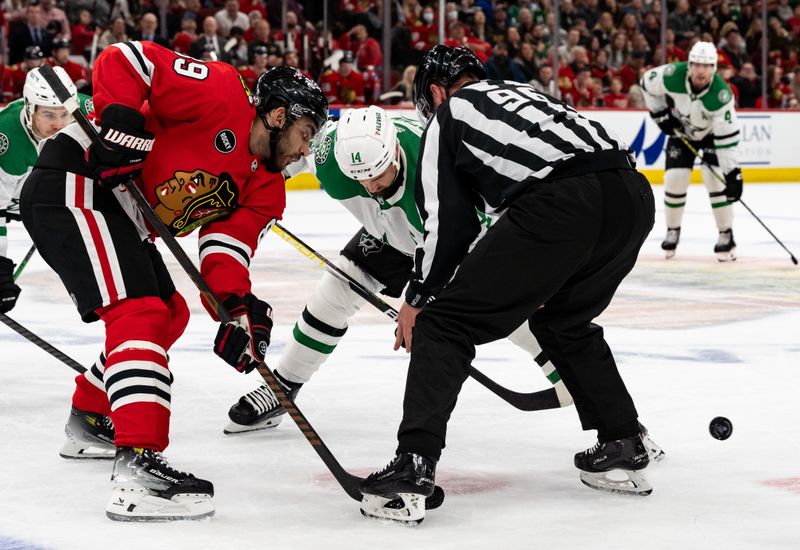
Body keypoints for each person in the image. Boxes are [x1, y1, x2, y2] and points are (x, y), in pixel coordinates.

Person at [20, 41, 327, 521]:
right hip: (76, 182)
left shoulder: (265, 187)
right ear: (277, 115)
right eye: (305, 133)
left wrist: (238, 311)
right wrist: (120, 120)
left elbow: (224, 252)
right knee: (139, 311)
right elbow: (125, 59)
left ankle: (91, 417)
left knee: (169, 312)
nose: (306, 149)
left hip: (120, 213)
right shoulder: (221, 91)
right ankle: (137, 467)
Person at [359, 46, 656, 525]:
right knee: (564, 321)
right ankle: (624, 438)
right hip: (632, 197)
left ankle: (413, 467)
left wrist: (416, 300)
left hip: (562, 205)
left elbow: (449, 225)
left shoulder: (449, 115)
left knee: (443, 325)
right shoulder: (526, 92)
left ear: (434, 91)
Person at [224, 105, 580, 435]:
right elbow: (287, 158)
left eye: (379, 177)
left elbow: (465, 239)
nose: (371, 188)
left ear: (395, 152)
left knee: (509, 310)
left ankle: (578, 383)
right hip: (390, 232)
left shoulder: (437, 172)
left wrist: (419, 299)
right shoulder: (332, 150)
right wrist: (248, 194)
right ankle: (283, 386)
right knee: (335, 291)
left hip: (448, 238)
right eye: (361, 180)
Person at [640, 41, 742, 261]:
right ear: (689, 65)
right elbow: (646, 83)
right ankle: (672, 231)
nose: (700, 70)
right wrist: (659, 113)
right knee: (674, 178)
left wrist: (733, 173)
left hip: (711, 135)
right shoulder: (672, 75)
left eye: (706, 66)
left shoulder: (722, 96)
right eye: (696, 64)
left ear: (714, 68)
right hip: (682, 132)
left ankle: (726, 233)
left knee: (715, 181)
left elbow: (727, 138)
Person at [1, 67, 91, 314]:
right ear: (30, 110)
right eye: (49, 116)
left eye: (65, 114)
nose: (60, 124)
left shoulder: (88, 112)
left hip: (58, 187)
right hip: (14, 197)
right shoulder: (7, 136)